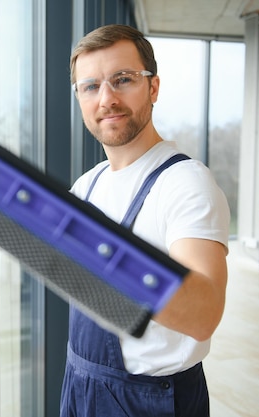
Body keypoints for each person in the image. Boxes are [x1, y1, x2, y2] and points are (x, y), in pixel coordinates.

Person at [60, 24, 230, 416]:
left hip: (150, 401)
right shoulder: (86, 187)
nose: (106, 98)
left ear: (153, 88)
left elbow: (204, 317)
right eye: (90, 86)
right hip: (80, 382)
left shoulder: (186, 184)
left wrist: (102, 256)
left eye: (123, 80)